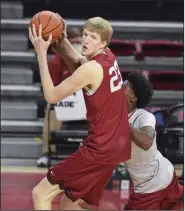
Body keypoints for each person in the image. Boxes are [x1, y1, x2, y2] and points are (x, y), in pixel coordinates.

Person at [28, 16, 131, 210]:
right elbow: (81, 63)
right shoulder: (108, 56)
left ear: (103, 42)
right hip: (116, 145)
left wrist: (41, 54)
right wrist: (63, 41)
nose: (85, 40)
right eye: (84, 35)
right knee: (70, 203)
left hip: (100, 148)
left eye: (92, 37)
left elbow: (51, 95)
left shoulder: (92, 68)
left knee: (40, 193)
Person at [123, 72, 184, 210]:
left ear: (133, 98)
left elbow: (146, 141)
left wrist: (122, 121)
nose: (120, 87)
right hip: (161, 176)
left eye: (125, 87)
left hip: (152, 184)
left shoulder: (144, 116)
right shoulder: (114, 119)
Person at [37, 27, 82, 167]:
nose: (77, 46)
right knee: (51, 111)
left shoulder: (88, 59)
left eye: (79, 42)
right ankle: (47, 153)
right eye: (73, 42)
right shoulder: (56, 62)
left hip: (87, 101)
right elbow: (53, 88)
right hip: (66, 100)